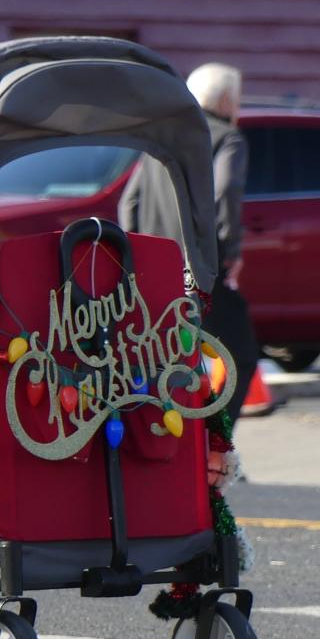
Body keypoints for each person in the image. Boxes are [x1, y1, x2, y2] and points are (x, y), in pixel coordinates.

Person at [118, 62, 259, 425]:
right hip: (201, 271)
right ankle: (214, 440)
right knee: (238, 354)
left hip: (156, 275)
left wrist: (140, 256)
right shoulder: (227, 138)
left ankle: (175, 436)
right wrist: (229, 251)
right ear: (227, 99)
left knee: (165, 356)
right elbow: (226, 192)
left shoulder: (163, 139)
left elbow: (128, 203)